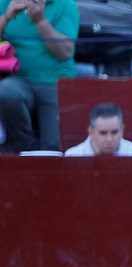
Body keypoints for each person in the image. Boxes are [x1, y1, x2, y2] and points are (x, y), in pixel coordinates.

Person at [0, 0, 77, 154]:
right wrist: (6, 17)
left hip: (55, 83)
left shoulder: (66, 5)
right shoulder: (5, 3)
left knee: (52, 149)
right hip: (19, 79)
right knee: (5, 91)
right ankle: (27, 147)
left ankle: (38, 154)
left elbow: (65, 52)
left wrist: (40, 21)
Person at [64, 102, 132, 156]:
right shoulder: (72, 156)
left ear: (122, 130)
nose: (109, 139)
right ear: (90, 132)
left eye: (114, 132)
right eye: (103, 133)